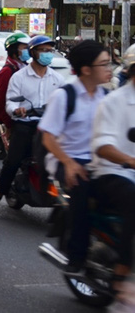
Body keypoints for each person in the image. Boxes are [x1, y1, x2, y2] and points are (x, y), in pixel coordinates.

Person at [38, 40, 110, 273]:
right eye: (104, 64)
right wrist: (68, 163)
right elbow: (48, 137)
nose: (110, 69)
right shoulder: (64, 96)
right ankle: (77, 257)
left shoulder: (107, 97)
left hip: (101, 160)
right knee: (83, 190)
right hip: (67, 159)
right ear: (87, 69)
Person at [0, 35, 65, 215]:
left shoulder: (57, 79)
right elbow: (9, 103)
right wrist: (17, 110)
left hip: (49, 128)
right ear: (33, 52)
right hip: (25, 126)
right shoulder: (19, 77)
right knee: (12, 162)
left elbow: (65, 104)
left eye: (50, 51)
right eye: (43, 51)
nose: (47, 55)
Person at [89, 43, 135, 296]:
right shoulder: (114, 101)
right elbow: (103, 146)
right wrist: (130, 161)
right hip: (111, 173)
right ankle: (122, 270)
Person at [0, 31, 30, 130]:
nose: (28, 50)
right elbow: (1, 102)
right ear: (14, 50)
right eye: (25, 48)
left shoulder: (25, 68)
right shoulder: (7, 72)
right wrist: (9, 125)